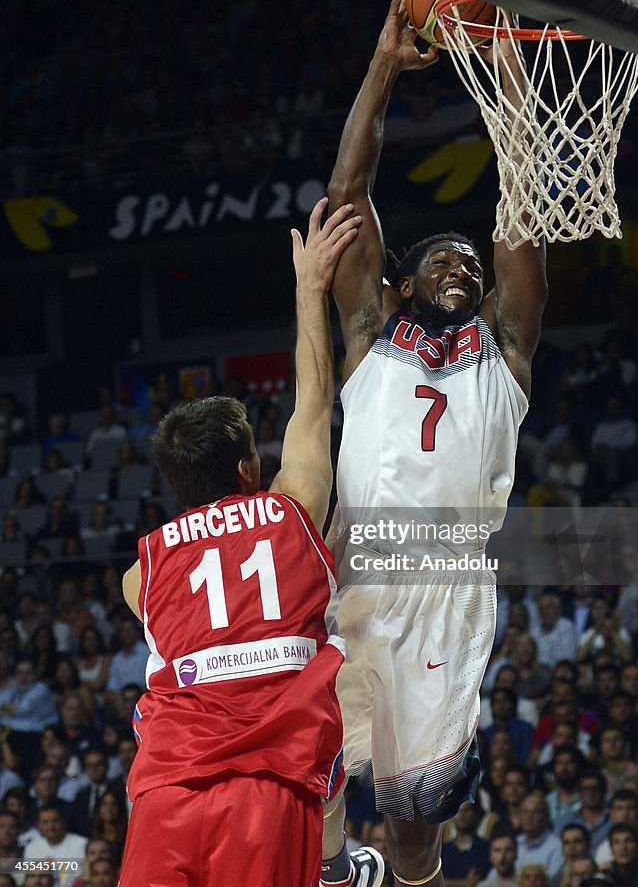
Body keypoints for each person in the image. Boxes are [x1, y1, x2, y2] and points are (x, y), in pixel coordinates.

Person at [319, 0, 547, 887]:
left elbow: (521, 212)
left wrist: (511, 88)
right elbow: (347, 195)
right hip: (351, 579)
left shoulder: (508, 349)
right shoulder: (370, 336)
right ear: (403, 285)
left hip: (449, 591)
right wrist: (383, 67)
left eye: (474, 264)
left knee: (414, 826)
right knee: (312, 789)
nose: (466, 264)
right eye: (443, 258)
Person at [117, 199, 359, 887]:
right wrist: (309, 287)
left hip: (165, 792)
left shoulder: (142, 571)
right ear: (250, 468)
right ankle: (339, 859)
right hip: (265, 785)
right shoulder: (291, 511)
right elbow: (313, 400)